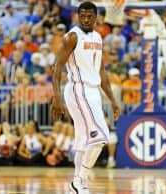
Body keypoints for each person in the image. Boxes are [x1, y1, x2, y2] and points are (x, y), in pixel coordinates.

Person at [51, 2, 120, 193]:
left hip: (92, 91)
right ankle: (79, 180)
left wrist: (112, 100)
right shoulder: (72, 37)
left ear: (97, 17)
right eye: (82, 15)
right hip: (78, 89)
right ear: (77, 16)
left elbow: (101, 71)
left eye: (90, 15)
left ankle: (77, 185)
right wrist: (56, 97)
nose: (86, 19)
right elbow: (56, 68)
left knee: (83, 141)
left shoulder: (98, 37)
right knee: (101, 137)